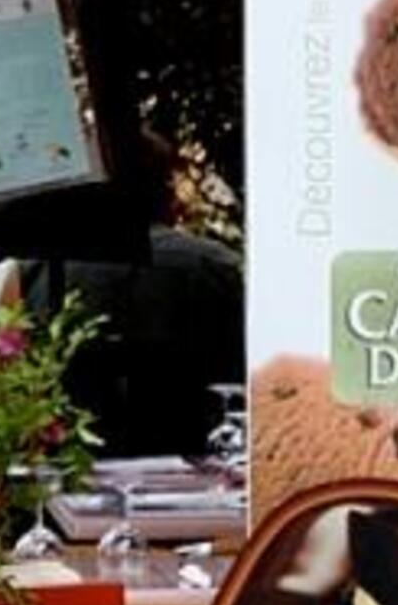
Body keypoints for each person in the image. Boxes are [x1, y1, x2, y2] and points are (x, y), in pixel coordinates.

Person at [16, 135, 244, 460]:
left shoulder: (33, 269)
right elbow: (241, 381)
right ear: (162, 188)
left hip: (69, 470)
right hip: (195, 467)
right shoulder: (212, 265)